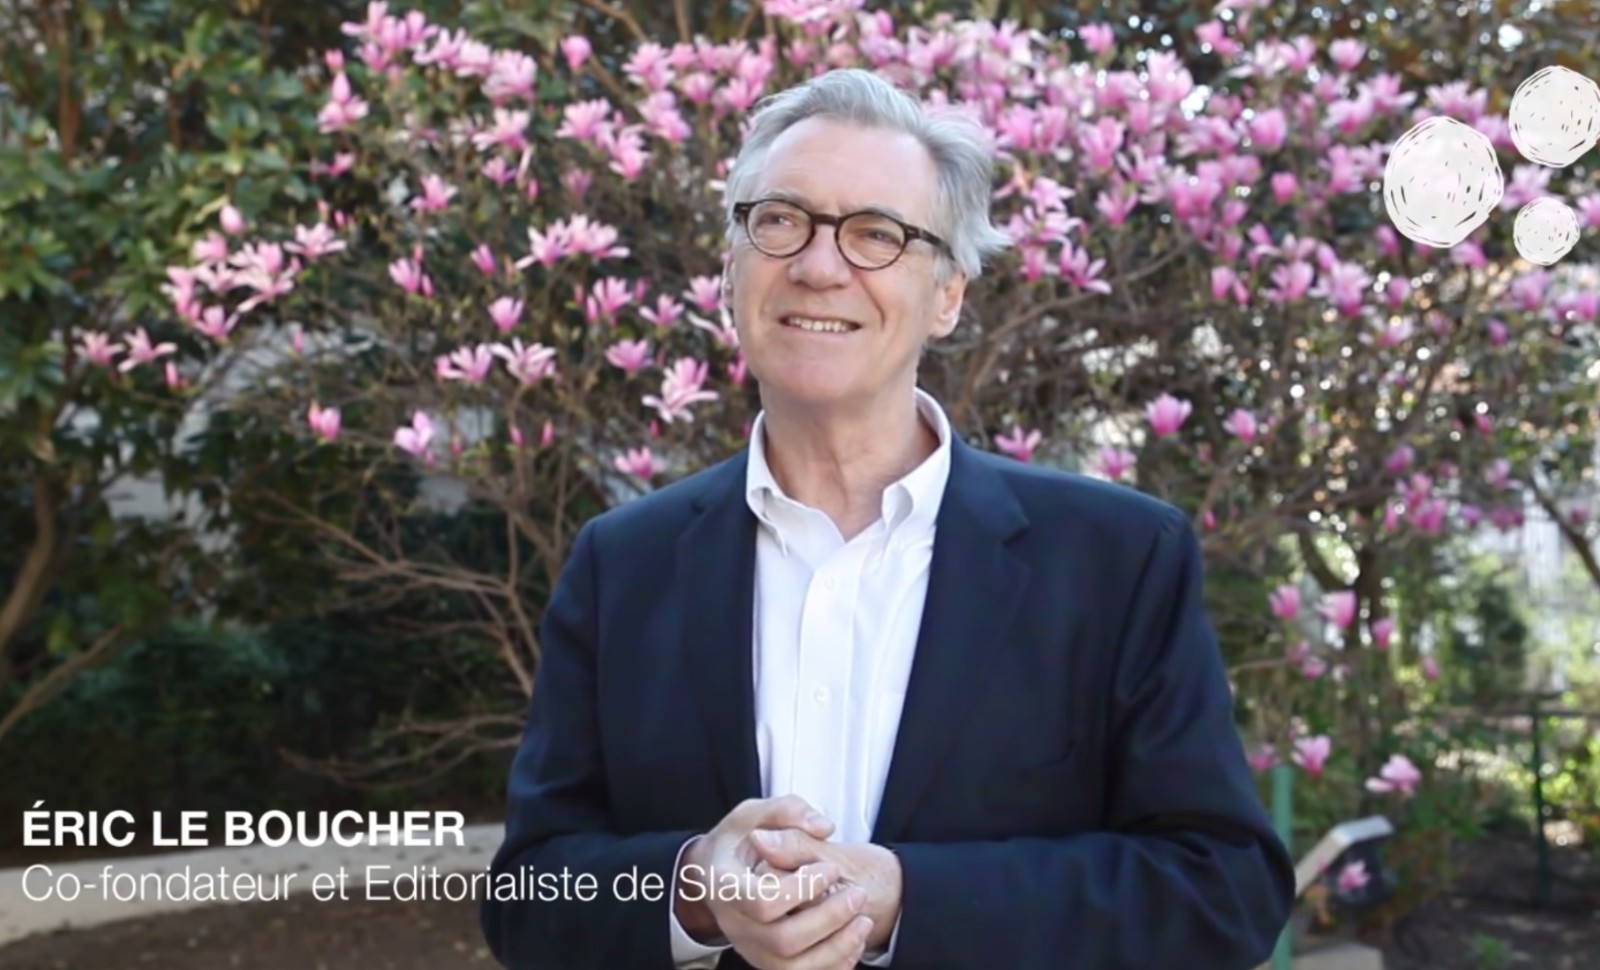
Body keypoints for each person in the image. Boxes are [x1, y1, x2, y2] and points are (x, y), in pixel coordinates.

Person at [481, 67, 1296, 970]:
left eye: (877, 234)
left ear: (948, 294)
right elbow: (529, 896)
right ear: (732, 268)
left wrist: (907, 901)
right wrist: (693, 887)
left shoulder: (1117, 561)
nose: (818, 266)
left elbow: (1222, 889)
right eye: (780, 220)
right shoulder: (623, 564)